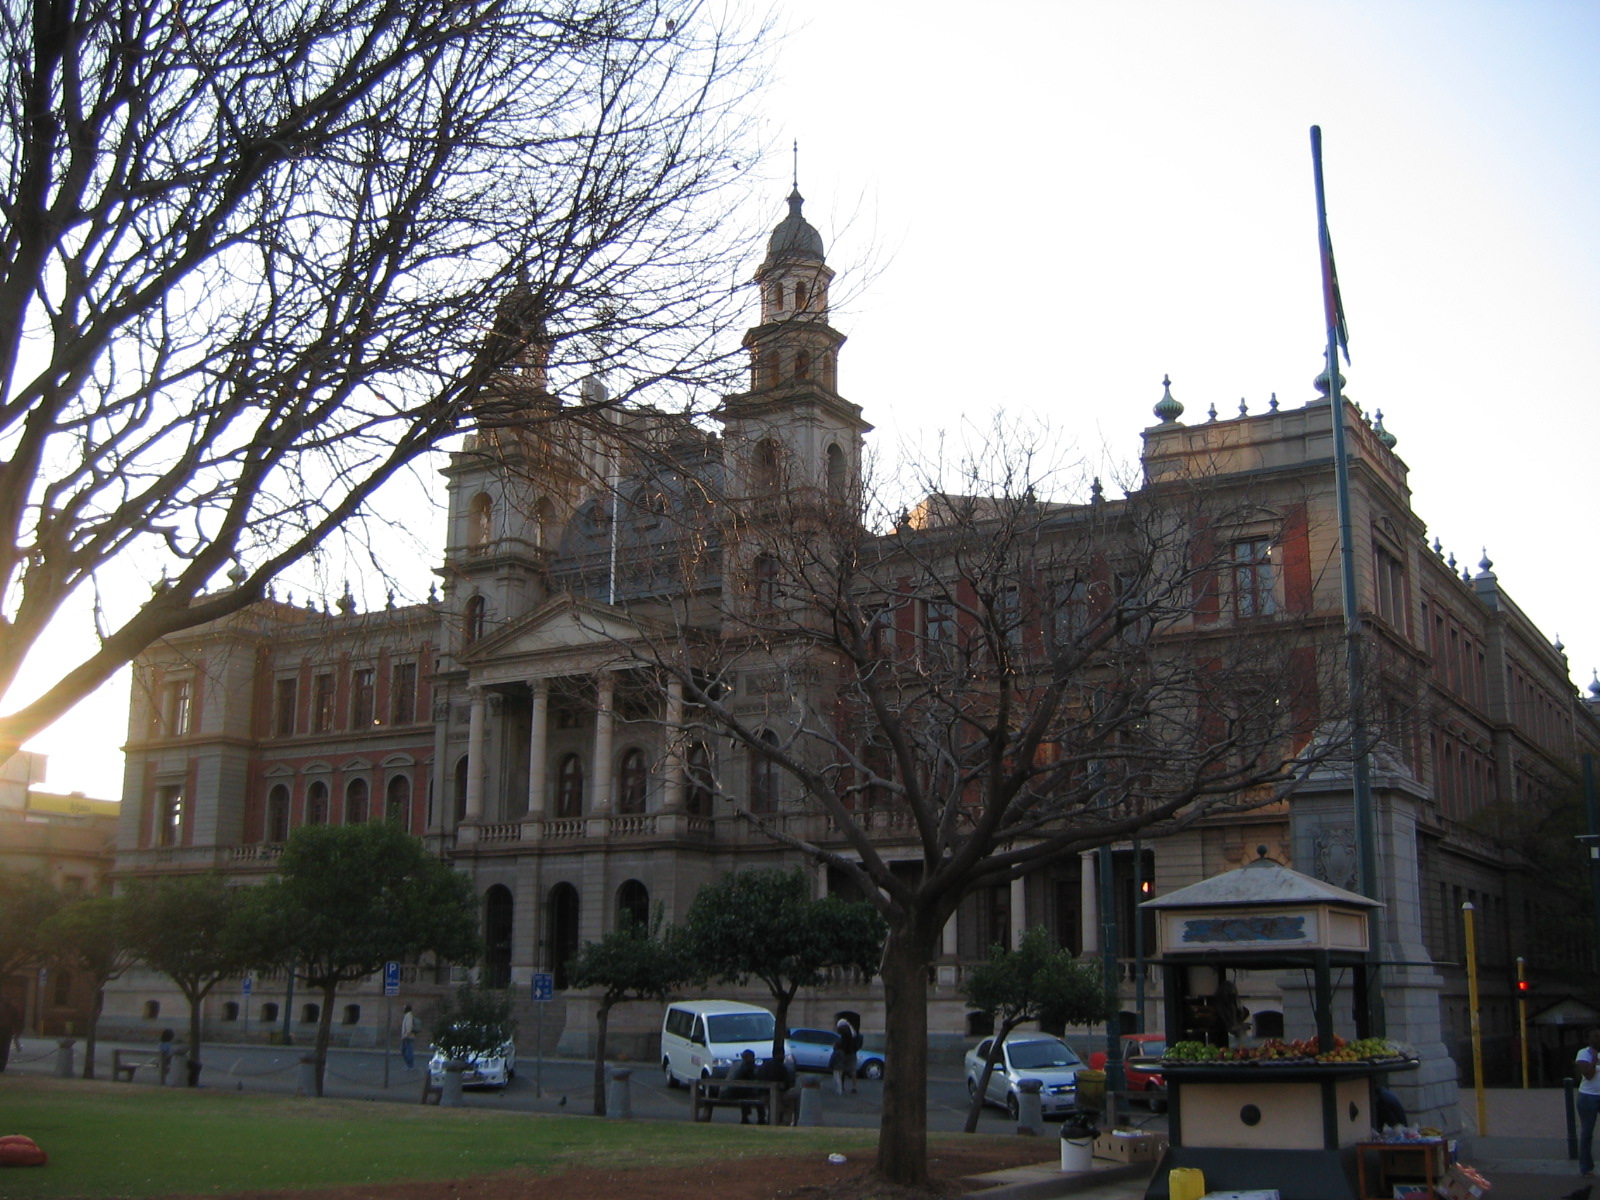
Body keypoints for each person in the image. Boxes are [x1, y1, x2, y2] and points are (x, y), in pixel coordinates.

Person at [1577, 1028, 1600, 1176]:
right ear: (1590, 1039)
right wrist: (1594, 1058)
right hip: (1588, 1097)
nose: (1599, 1039)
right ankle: (1586, 1167)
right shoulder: (1583, 1053)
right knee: (1587, 1132)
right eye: (1596, 1037)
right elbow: (1588, 1075)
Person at [726, 1048, 762, 1124]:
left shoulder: (739, 1065)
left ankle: (747, 1117)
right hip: (732, 1091)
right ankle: (760, 1118)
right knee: (756, 1097)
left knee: (750, 1095)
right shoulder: (745, 1067)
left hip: (735, 1090)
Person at [829, 1018, 858, 1095]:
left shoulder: (844, 1032)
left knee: (842, 1070)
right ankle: (854, 1087)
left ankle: (841, 1087)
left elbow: (844, 1043)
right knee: (853, 1071)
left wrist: (837, 1046)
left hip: (845, 1053)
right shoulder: (852, 1031)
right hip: (853, 1053)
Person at [0, 996, 20, 1072]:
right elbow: (16, 1020)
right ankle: (2, 1065)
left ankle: (2, 1065)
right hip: (7, 1031)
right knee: (5, 1049)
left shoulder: (3, 1007)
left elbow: (16, 1020)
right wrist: (16, 1033)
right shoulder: (12, 1009)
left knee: (3, 1049)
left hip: (5, 1030)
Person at [400, 1005, 416, 1070]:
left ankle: (410, 1065)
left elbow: (409, 1027)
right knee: (405, 1050)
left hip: (408, 1037)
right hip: (407, 1036)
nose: (403, 1008)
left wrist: (405, 1035)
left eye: (404, 1007)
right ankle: (409, 1065)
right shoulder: (407, 1015)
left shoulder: (408, 1016)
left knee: (407, 1051)